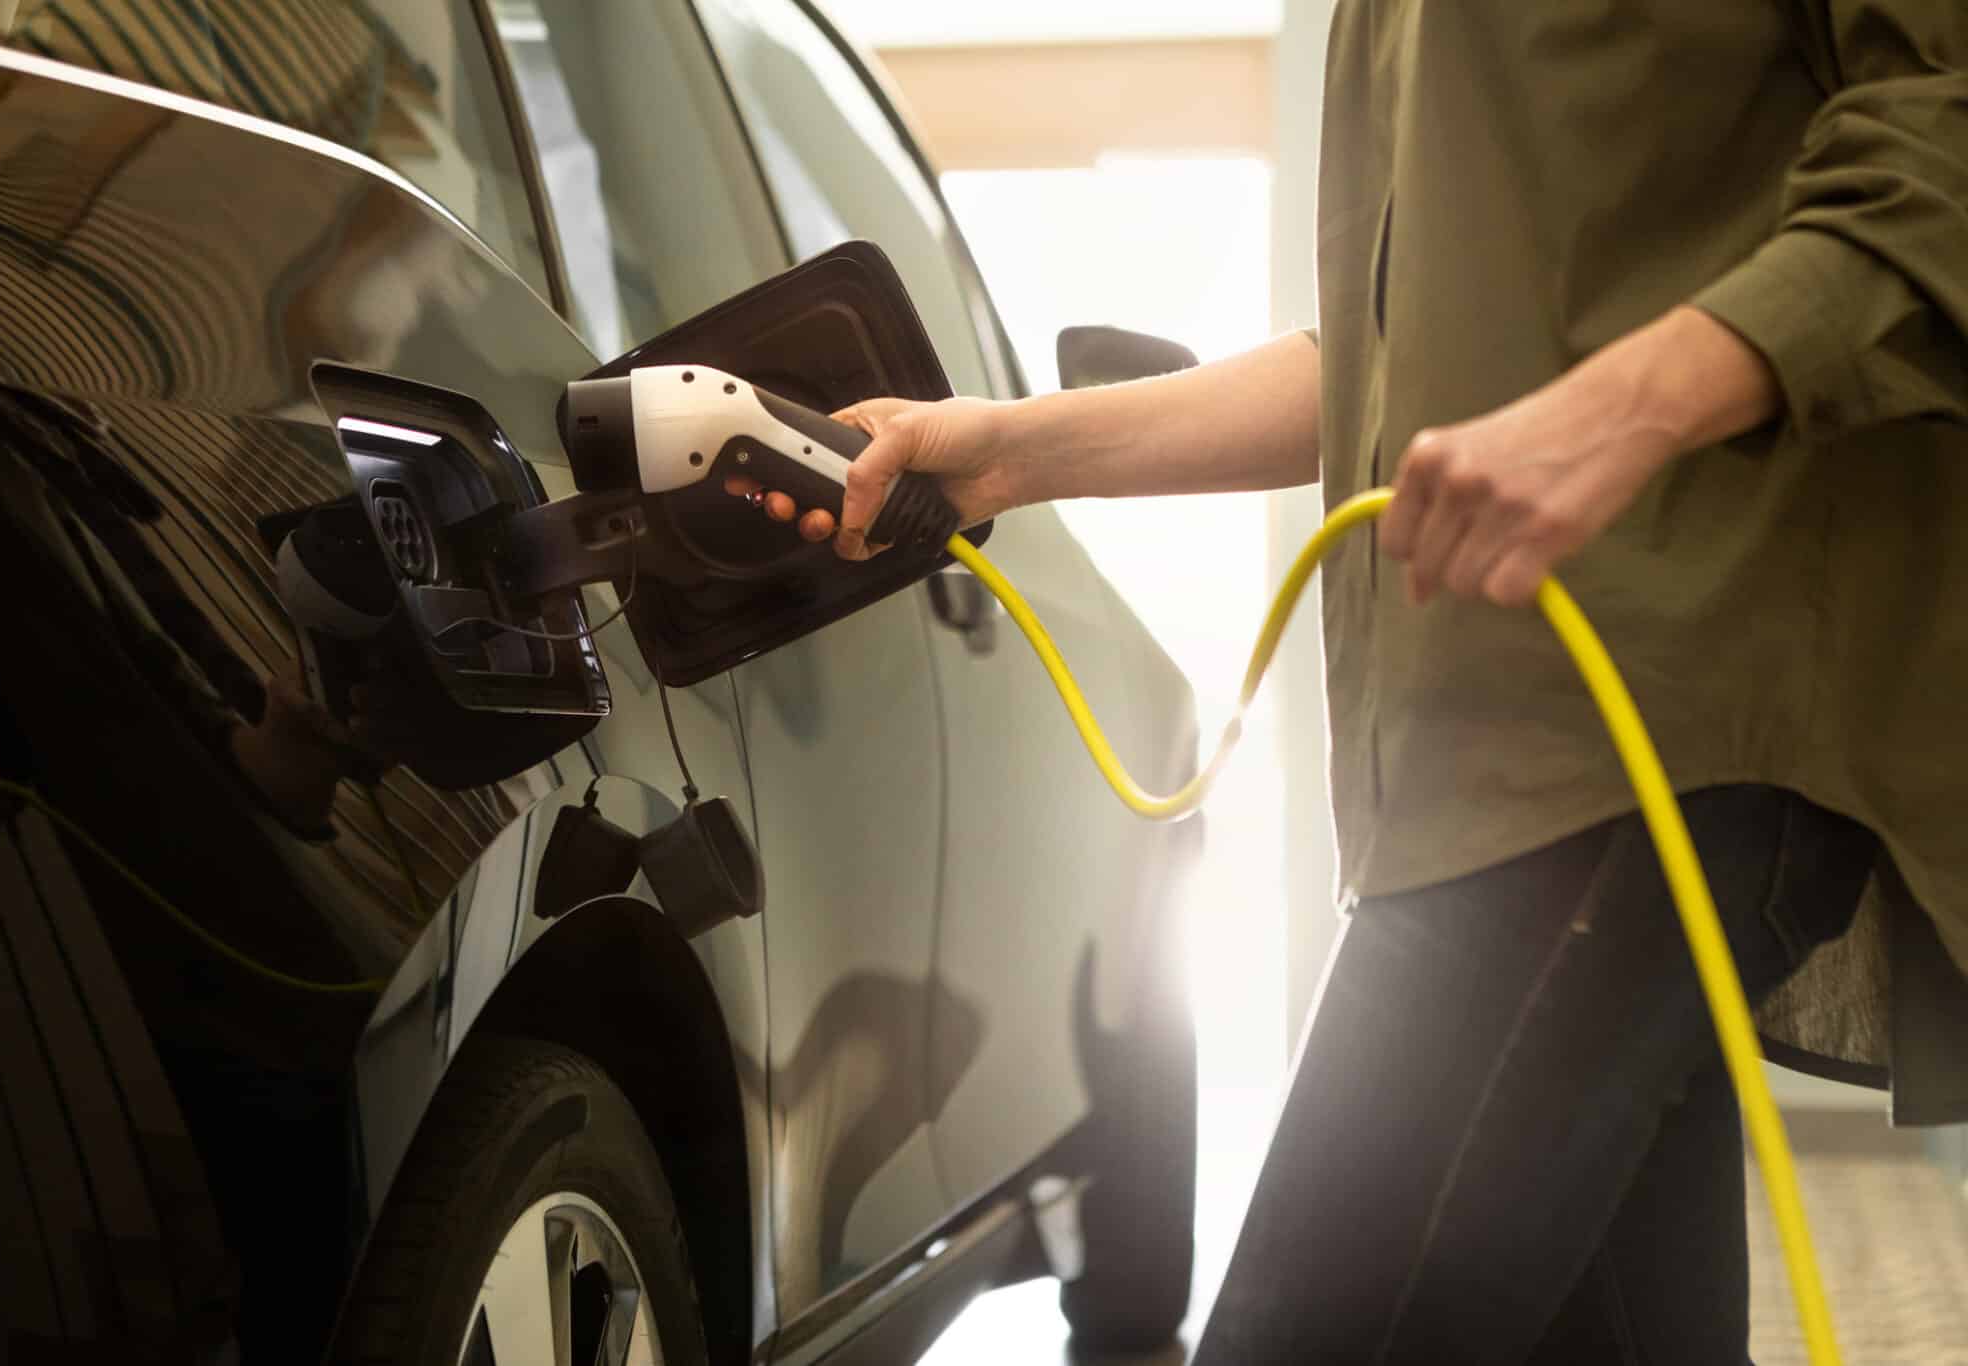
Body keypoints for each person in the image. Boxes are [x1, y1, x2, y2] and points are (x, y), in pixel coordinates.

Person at [731, 4, 1968, 1360]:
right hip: (1482, 763)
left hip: (1637, 733)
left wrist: (1617, 408)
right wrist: (1009, 453)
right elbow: (1384, 368)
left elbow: (1941, 132)